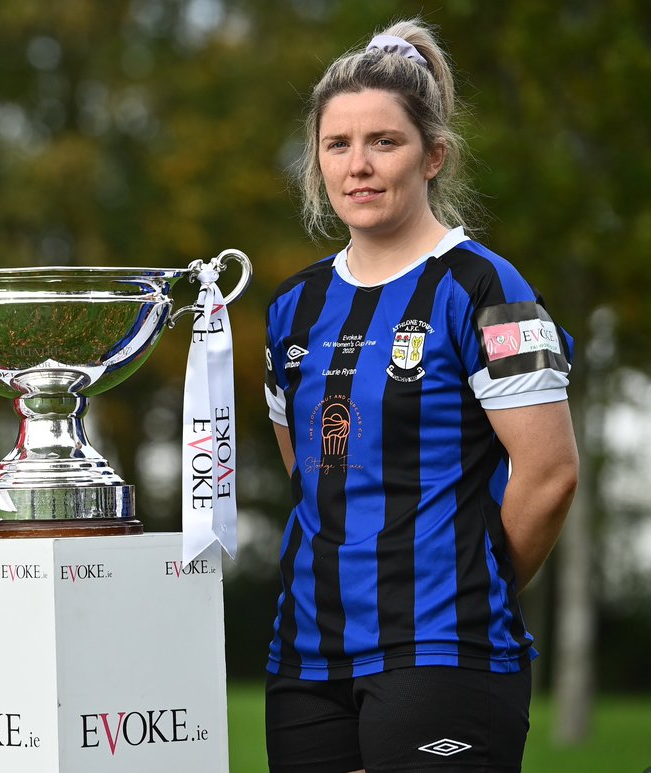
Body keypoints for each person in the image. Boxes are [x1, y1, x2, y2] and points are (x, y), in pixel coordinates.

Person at [262, 19, 579, 773]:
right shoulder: (292, 308)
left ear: (434, 155)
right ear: (317, 161)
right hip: (307, 658)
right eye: (338, 145)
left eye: (385, 142)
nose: (359, 166)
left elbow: (551, 472)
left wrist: (478, 579)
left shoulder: (487, 289)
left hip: (448, 646)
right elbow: (310, 470)